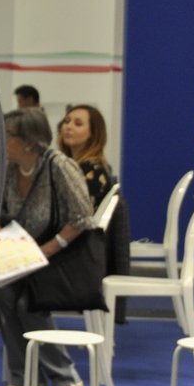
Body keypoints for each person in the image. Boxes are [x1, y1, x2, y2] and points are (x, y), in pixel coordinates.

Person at [0, 107, 95, 386]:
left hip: (63, 251)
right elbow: (3, 211)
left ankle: (67, 378)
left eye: (8, 134)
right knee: (4, 295)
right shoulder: (11, 167)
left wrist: (45, 251)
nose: (3, 139)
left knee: (27, 301)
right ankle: (24, 379)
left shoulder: (58, 166)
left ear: (28, 141)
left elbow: (83, 218)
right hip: (24, 250)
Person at [56, 103, 132, 323]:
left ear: (93, 133)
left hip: (78, 249)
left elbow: (73, 216)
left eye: (78, 123)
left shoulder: (93, 170)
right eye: (67, 121)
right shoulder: (71, 165)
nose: (68, 127)